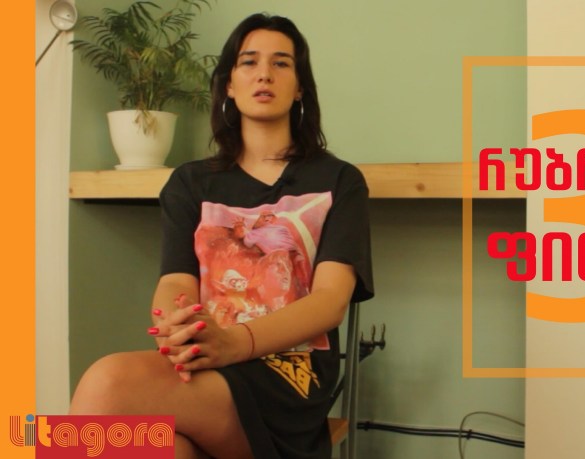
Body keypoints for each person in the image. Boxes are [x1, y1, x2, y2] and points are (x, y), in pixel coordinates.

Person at [69, 13, 374, 459]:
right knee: (161, 449)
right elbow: (177, 279)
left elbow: (330, 302)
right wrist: (176, 328)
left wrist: (234, 343)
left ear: (300, 87)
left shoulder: (338, 181)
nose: (264, 73)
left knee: (108, 383)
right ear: (229, 84)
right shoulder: (191, 183)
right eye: (249, 62)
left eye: (281, 63)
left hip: (289, 374)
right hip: (207, 360)